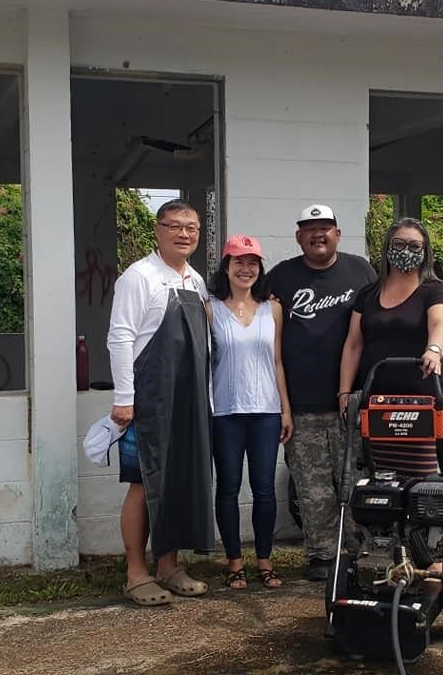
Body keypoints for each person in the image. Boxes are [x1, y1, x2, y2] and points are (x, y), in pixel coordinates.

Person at [107, 199, 213, 606]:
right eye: (175, 226)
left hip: (187, 400)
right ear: (158, 230)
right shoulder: (139, 277)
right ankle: (136, 573)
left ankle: (168, 565)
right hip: (148, 400)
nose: (184, 234)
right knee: (143, 483)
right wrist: (123, 399)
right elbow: (119, 337)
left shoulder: (196, 281)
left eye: (192, 227)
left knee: (178, 480)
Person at [267, 204, 377, 581]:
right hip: (302, 404)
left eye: (325, 228)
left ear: (338, 234)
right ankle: (321, 555)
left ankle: (366, 552)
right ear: (298, 237)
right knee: (314, 488)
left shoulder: (360, 270)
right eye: (309, 229)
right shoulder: (280, 277)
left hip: (354, 402)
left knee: (358, 481)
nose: (318, 234)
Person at [338, 217, 443, 478]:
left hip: (423, 396)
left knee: (419, 475)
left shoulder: (434, 290)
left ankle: (423, 520)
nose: (406, 251)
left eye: (415, 246)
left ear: (425, 253)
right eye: (399, 244)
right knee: (379, 475)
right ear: (387, 248)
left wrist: (434, 350)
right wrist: (344, 393)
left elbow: (439, 323)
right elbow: (354, 345)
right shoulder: (367, 294)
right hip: (375, 399)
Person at [209, 235, 293, 590]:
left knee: (264, 489)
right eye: (238, 262)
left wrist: (285, 409)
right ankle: (234, 562)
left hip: (265, 410)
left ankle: (264, 559)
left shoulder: (272, 309)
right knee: (228, 487)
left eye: (253, 263)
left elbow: (277, 361)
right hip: (225, 411)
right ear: (226, 267)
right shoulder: (208, 308)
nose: (246, 269)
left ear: (260, 269)